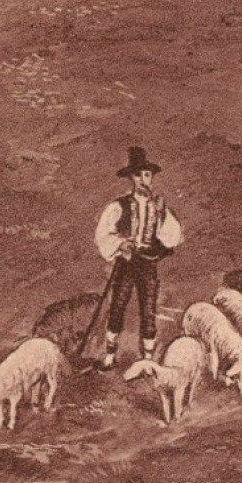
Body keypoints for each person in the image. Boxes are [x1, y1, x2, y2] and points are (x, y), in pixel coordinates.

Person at [93, 147, 183, 369]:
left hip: (148, 263)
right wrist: (121, 243)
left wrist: (161, 213)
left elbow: (172, 237)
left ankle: (148, 360)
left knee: (148, 309)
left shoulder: (159, 206)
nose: (145, 180)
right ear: (132, 178)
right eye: (141, 175)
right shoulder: (119, 206)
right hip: (127, 262)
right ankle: (110, 356)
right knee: (118, 306)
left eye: (148, 175)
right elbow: (103, 233)